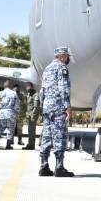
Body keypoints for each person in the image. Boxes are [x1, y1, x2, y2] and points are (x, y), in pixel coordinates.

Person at [38, 47, 75, 177]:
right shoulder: (62, 68)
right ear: (62, 56)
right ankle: (59, 167)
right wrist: (67, 107)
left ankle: (43, 166)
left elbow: (41, 90)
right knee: (60, 136)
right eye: (67, 56)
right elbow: (63, 88)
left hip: (47, 107)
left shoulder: (47, 69)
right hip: (58, 106)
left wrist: (43, 105)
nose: (68, 59)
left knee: (47, 136)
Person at [0, 81, 21, 150]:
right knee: (10, 128)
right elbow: (17, 104)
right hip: (11, 112)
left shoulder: (0, 93)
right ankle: (8, 145)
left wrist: (1, 108)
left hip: (2, 112)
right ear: (11, 87)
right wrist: (17, 112)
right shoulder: (14, 93)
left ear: (4, 86)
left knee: (0, 128)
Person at [24, 82, 41, 150]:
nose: (28, 88)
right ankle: (30, 144)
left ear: (32, 87)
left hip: (32, 115)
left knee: (32, 130)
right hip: (29, 115)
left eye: (29, 87)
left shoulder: (35, 95)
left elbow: (36, 106)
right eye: (27, 87)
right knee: (30, 130)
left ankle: (31, 145)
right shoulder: (29, 94)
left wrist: (33, 115)